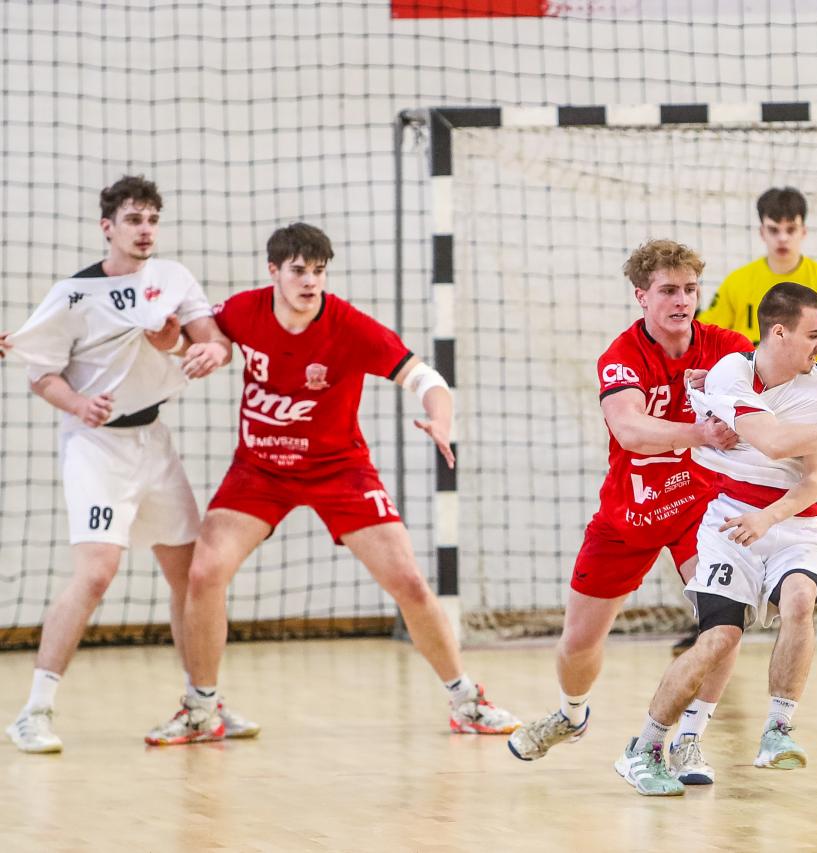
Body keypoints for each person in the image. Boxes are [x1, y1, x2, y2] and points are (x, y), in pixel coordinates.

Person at [144, 222, 519, 744]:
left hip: (338, 469)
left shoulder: (350, 326)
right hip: (260, 470)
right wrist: (173, 341)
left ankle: (467, 701)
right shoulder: (245, 310)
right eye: (298, 270)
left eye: (318, 271)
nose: (310, 281)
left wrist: (441, 419)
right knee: (204, 573)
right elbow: (198, 338)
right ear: (273, 271)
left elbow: (425, 377)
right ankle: (202, 709)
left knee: (408, 581)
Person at [1, 175, 254, 753]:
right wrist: (78, 404)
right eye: (134, 220)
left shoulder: (173, 278)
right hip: (95, 447)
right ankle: (34, 711)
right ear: (107, 227)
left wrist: (205, 351)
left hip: (153, 442)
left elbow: (213, 342)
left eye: (152, 220)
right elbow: (40, 374)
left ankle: (202, 704)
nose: (145, 230)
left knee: (192, 575)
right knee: (96, 574)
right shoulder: (72, 294)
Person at [614, 282, 817, 796]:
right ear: (779, 333)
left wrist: (771, 518)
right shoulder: (732, 372)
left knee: (800, 600)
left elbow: (816, 479)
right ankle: (646, 746)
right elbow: (772, 442)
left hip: (793, 523)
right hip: (730, 520)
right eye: (815, 334)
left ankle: (778, 731)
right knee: (720, 638)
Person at [507, 239, 753, 785]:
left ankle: (689, 738)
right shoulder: (621, 356)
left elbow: (767, 392)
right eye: (668, 290)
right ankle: (571, 715)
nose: (681, 301)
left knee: (725, 622)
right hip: (630, 513)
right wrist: (700, 431)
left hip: (701, 508)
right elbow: (629, 430)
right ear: (642, 296)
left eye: (690, 289)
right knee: (578, 642)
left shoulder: (727, 349)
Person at [696, 186, 817, 652]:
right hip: (757, 413)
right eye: (774, 229)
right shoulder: (741, 283)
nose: (782, 238)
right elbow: (713, 336)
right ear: (761, 231)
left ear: (803, 231)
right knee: (710, 496)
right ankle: (711, 608)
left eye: (791, 229)